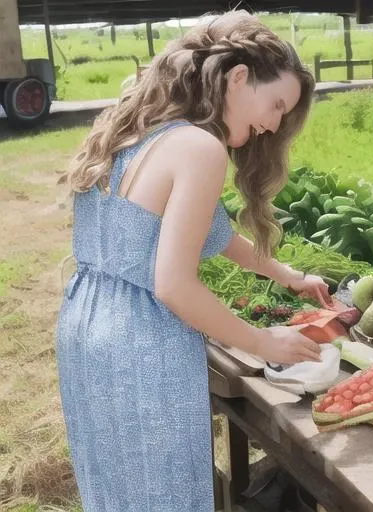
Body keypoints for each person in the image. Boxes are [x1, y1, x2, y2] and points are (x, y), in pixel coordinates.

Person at [56, 9, 333, 512]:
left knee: (118, 491)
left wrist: (286, 274)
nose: (273, 125)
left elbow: (209, 235)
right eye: (276, 105)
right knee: (165, 495)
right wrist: (264, 341)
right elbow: (174, 286)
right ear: (238, 76)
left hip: (86, 329)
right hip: (142, 340)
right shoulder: (200, 147)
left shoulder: (142, 131)